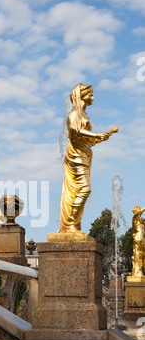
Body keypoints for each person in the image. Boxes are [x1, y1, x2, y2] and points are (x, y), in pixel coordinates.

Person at [58, 83, 118, 234]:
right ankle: (70, 224)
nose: (93, 98)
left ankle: (74, 225)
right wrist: (96, 134)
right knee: (84, 189)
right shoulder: (74, 114)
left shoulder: (84, 115)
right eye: (90, 95)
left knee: (82, 190)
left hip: (84, 155)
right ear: (81, 96)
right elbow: (74, 132)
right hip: (76, 155)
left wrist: (100, 138)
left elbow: (86, 138)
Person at [131, 205, 145, 277]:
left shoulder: (142, 221)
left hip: (142, 239)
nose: (140, 211)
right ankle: (136, 271)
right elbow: (138, 213)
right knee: (137, 254)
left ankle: (139, 270)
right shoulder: (135, 218)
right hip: (138, 238)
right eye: (138, 209)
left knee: (142, 254)